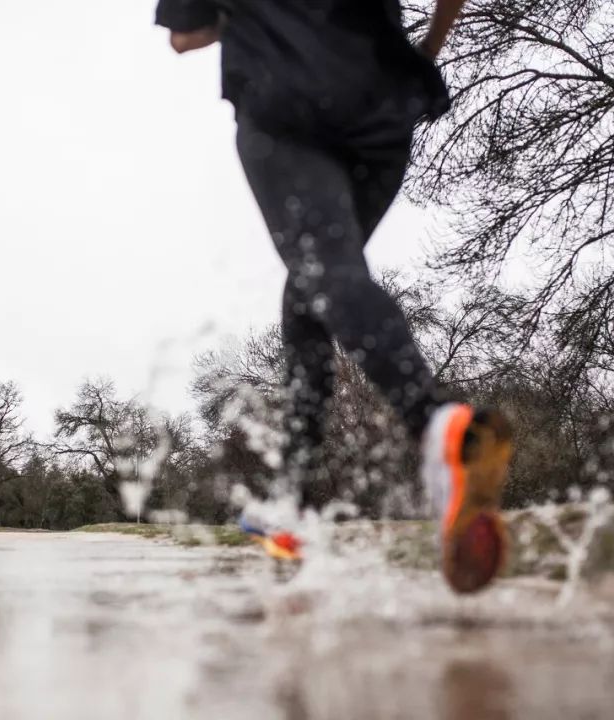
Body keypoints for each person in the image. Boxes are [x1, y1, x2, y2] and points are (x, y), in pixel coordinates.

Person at [155, 0, 512, 594]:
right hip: (384, 107)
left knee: (326, 272)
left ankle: (439, 425)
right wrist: (427, 49)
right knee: (309, 299)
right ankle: (289, 504)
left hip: (287, 97)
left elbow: (185, 37)